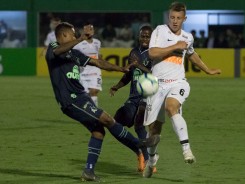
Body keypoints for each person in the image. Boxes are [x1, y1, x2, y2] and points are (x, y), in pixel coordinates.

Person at [45, 22, 160, 182]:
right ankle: (139, 145)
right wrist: (80, 39)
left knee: (99, 131)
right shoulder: (53, 48)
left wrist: (121, 69)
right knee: (106, 118)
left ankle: (88, 171)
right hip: (70, 100)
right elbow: (58, 51)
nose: (74, 36)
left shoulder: (73, 53)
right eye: (72, 34)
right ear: (64, 35)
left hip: (81, 96)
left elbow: (98, 63)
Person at [142, 2, 221, 178]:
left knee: (172, 108)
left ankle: (186, 150)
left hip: (178, 82)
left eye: (178, 18)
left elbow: (191, 54)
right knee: (154, 132)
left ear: (185, 18)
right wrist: (175, 46)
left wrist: (207, 70)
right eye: (172, 17)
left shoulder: (188, 36)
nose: (175, 21)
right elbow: (152, 53)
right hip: (156, 85)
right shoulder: (160, 31)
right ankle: (152, 160)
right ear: (168, 17)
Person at [109, 25, 156, 173]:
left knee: (139, 125)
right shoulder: (134, 52)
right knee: (114, 122)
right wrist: (117, 86)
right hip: (133, 97)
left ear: (152, 38)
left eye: (148, 36)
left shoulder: (155, 54)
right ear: (138, 37)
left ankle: (149, 161)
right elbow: (130, 74)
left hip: (148, 97)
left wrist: (139, 65)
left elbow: (155, 75)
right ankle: (139, 151)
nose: (144, 39)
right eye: (142, 36)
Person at [73, 23, 102, 106]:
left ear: (93, 31)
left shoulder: (97, 42)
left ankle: (95, 112)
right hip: (83, 72)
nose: (88, 31)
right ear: (83, 31)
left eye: (90, 29)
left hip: (95, 71)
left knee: (94, 91)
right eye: (86, 29)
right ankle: (87, 112)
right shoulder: (78, 44)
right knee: (85, 95)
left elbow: (98, 55)